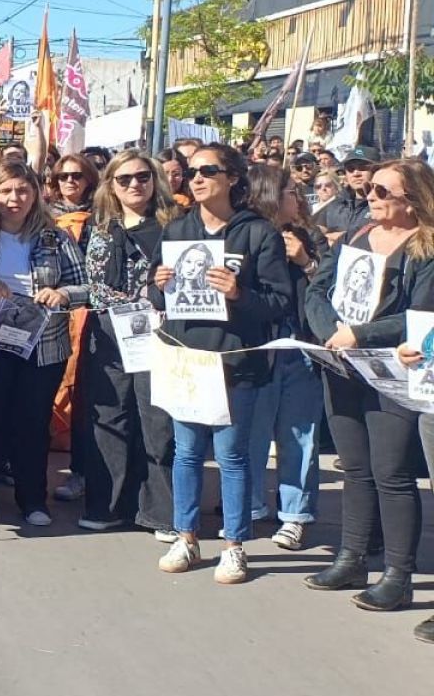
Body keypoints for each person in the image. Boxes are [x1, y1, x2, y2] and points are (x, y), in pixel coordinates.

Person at [149, 143, 289, 585]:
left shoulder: (257, 233)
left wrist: (238, 294)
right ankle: (186, 536)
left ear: (232, 178)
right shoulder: (177, 230)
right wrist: (158, 285)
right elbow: (156, 296)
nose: (197, 178)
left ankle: (234, 545)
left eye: (208, 170)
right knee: (186, 453)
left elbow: (280, 301)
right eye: (192, 172)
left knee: (231, 456)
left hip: (233, 360)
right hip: (187, 357)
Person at [303, 159, 434, 627]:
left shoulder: (425, 250)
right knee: (355, 467)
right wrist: (329, 333)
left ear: (412, 199)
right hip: (341, 364)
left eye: (382, 191)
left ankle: (399, 573)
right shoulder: (357, 237)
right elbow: (316, 290)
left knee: (391, 473)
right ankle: (352, 556)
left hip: (391, 373)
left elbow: (419, 317)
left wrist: (361, 333)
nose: (370, 198)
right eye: (370, 191)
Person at [72, 150, 178, 536]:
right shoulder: (100, 228)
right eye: (125, 179)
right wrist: (145, 296)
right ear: (111, 185)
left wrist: (164, 291)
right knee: (110, 421)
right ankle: (106, 505)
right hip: (111, 336)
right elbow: (96, 288)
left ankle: (159, 512)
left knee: (157, 421)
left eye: (143, 177)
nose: (136, 185)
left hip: (160, 334)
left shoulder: (176, 225)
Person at [0, 162, 86, 527]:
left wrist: (61, 293)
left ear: (36, 194)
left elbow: (85, 285)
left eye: (22, 190)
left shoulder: (56, 237)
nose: (14, 199)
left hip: (44, 344)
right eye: (6, 190)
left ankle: (33, 499)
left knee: (33, 423)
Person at [242, 163, 324, 551]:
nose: (299, 197)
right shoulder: (248, 235)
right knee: (252, 431)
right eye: (292, 191)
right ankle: (249, 503)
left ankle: (295, 514)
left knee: (298, 434)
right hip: (258, 345)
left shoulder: (308, 237)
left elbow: (333, 290)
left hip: (299, 345)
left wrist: (307, 262)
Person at [316, 144, 376, 240]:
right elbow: (318, 235)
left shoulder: (382, 206)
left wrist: (339, 238)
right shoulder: (335, 204)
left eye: (363, 168)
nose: (356, 173)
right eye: (350, 169)